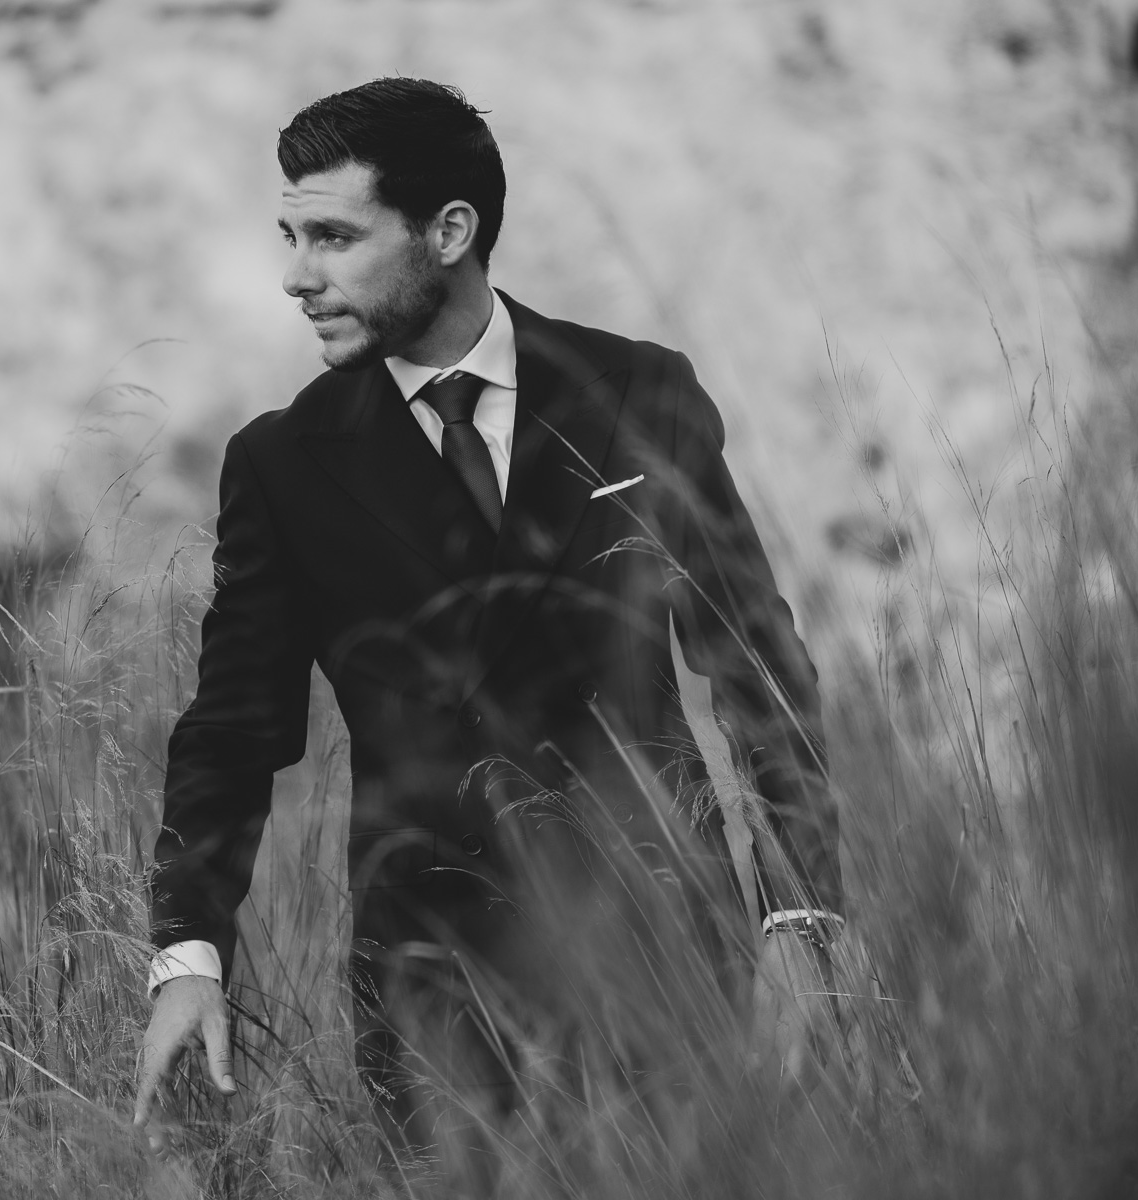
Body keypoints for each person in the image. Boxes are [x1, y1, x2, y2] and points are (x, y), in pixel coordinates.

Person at [132, 78, 845, 1171]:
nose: (296, 275)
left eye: (333, 235)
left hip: (666, 948)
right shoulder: (282, 463)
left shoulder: (634, 392)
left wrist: (799, 920)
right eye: (289, 235)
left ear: (450, 230)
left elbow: (754, 661)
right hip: (434, 990)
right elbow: (234, 729)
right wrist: (188, 954)